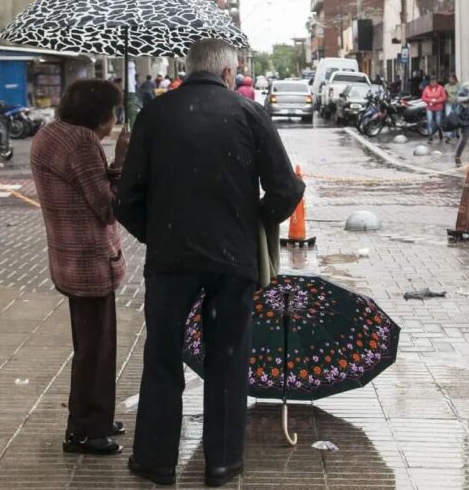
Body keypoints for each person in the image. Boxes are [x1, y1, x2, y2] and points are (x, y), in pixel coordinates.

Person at [115, 39, 304, 488]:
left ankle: (156, 461)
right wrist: (254, 222)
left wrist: (155, 233)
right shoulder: (249, 114)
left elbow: (126, 199)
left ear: (188, 68)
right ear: (226, 73)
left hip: (170, 260)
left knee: (162, 357)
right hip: (231, 260)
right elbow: (286, 189)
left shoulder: (155, 115)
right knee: (227, 358)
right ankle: (221, 462)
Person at [30, 79, 131, 455]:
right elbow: (106, 207)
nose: (114, 120)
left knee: (91, 345)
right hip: (90, 260)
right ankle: (85, 430)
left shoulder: (50, 134)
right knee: (96, 348)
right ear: (100, 115)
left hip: (67, 257)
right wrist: (120, 159)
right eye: (112, 112)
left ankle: (96, 417)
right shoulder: (83, 143)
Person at [422, 75, 446, 144]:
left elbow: (444, 97)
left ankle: (440, 131)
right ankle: (430, 136)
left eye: (434, 82)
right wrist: (430, 100)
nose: (433, 84)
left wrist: (436, 101)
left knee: (438, 122)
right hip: (429, 107)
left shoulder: (440, 88)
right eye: (431, 82)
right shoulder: (426, 88)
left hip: (438, 107)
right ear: (429, 82)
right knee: (429, 121)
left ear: (436, 82)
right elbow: (423, 97)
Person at [444, 74, 461, 140]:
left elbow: (461, 93)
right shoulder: (446, 86)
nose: (450, 80)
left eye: (452, 79)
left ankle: (457, 132)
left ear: (455, 79)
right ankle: (448, 135)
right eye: (449, 79)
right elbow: (444, 93)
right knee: (448, 117)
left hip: (457, 103)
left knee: (456, 118)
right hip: (448, 103)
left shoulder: (459, 85)